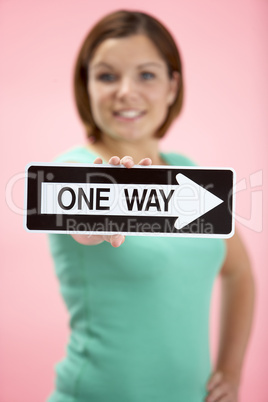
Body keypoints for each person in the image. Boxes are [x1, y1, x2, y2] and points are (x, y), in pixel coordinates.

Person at [47, 10, 255, 402]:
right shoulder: (70, 172)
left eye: (146, 75)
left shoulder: (190, 173)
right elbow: (80, 223)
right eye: (107, 76)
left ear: (172, 86)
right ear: (86, 86)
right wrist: (95, 222)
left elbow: (239, 271)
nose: (126, 91)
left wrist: (230, 369)